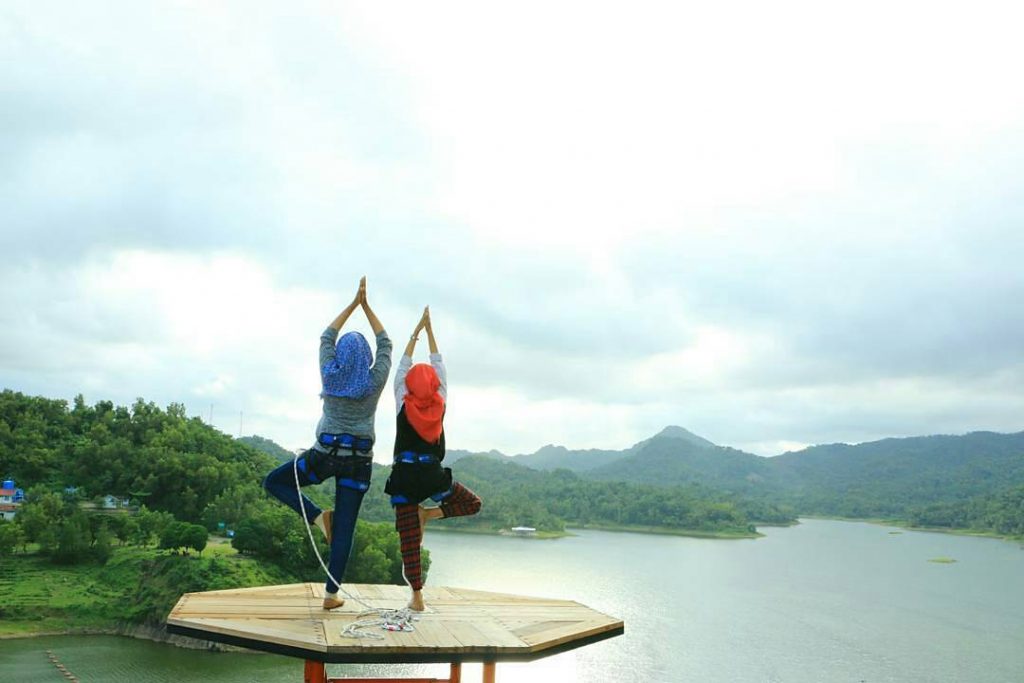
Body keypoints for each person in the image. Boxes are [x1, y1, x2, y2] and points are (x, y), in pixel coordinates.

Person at [262, 276, 392, 610]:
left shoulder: (329, 374)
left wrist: (352, 305)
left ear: (340, 358)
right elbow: (386, 345)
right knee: (345, 529)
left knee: (273, 482)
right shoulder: (373, 382)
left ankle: (318, 517)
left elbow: (326, 336)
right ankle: (331, 596)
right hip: (358, 461)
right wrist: (367, 307)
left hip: (322, 455)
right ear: (364, 360)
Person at [385, 306, 482, 611]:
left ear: (409, 385)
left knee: (409, 545)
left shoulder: (403, 399)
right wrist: (430, 333)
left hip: (403, 477)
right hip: (432, 475)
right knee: (472, 504)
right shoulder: (440, 402)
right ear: (436, 386)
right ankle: (429, 513)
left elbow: (402, 368)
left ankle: (416, 597)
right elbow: (439, 368)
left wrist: (415, 334)